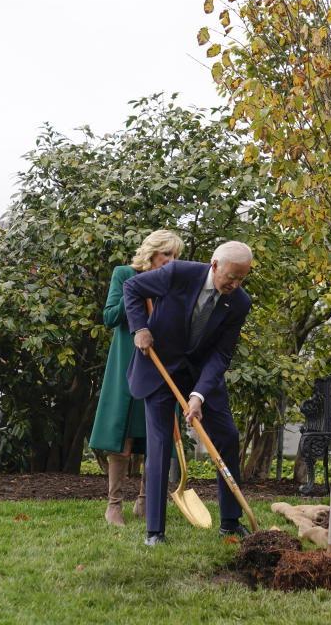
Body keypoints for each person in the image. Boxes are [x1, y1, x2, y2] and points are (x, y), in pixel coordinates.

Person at [123, 240, 253, 545]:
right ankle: (155, 532)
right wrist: (139, 328)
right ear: (215, 265)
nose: (235, 284)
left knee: (227, 437)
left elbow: (221, 354)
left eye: (242, 279)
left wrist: (198, 396)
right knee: (159, 444)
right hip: (161, 368)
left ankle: (231, 522)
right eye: (230, 277)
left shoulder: (240, 303)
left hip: (201, 375)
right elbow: (132, 288)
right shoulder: (178, 273)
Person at [88, 230, 184, 527]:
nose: (171, 261)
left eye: (176, 256)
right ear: (151, 253)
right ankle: (113, 505)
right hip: (127, 362)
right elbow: (109, 317)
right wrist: (137, 291)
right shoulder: (124, 274)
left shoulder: (172, 282)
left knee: (157, 433)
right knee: (124, 433)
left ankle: (144, 502)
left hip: (161, 362)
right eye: (166, 254)